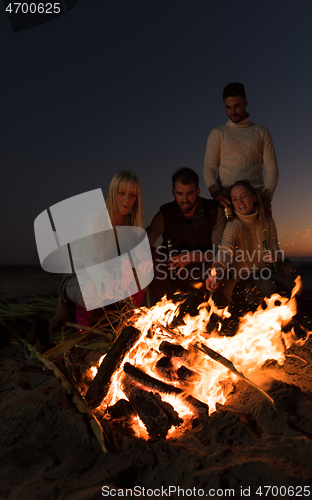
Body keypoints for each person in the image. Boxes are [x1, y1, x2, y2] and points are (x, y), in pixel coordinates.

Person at [64, 171, 151, 329]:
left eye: (132, 195)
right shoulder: (98, 218)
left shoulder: (131, 222)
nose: (126, 199)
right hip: (81, 276)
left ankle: (129, 323)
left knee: (141, 276)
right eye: (121, 193)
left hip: (111, 271)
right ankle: (83, 328)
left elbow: (136, 252)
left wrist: (130, 260)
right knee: (91, 286)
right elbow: (91, 260)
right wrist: (106, 279)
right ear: (112, 192)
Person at [205, 180, 294, 306]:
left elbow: (276, 250)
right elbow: (225, 250)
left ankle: (283, 307)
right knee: (265, 284)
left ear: (253, 197)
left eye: (244, 196)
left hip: (263, 272)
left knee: (288, 266)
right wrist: (216, 271)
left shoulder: (267, 222)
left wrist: (275, 255)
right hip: (240, 280)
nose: (240, 202)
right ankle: (258, 310)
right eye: (235, 199)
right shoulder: (233, 225)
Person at [145, 168, 225, 303]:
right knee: (148, 253)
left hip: (202, 271)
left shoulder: (213, 211)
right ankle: (167, 309)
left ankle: (199, 308)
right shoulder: (165, 213)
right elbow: (148, 238)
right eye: (179, 194)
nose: (185, 199)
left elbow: (219, 252)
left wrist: (191, 257)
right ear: (173, 193)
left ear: (198, 191)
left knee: (220, 269)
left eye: (190, 193)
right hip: (173, 272)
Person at [203, 82, 279, 216]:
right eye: (228, 107)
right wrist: (216, 193)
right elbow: (209, 168)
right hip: (227, 204)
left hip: (257, 203)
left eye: (237, 106)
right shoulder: (217, 133)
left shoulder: (262, 132)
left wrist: (267, 198)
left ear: (246, 103)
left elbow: (272, 169)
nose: (233, 112)